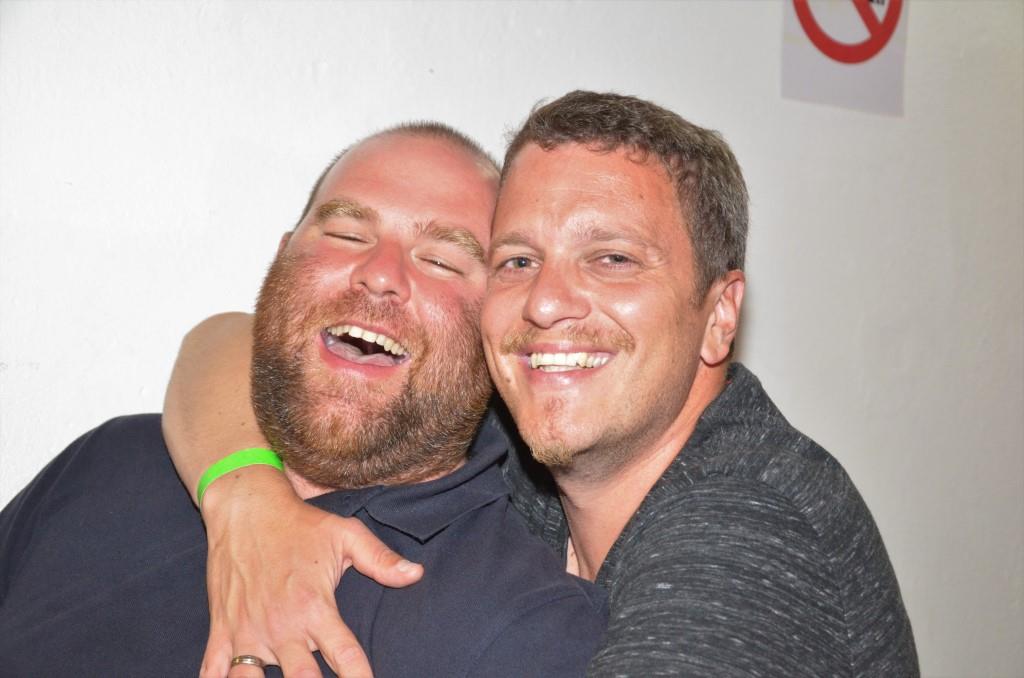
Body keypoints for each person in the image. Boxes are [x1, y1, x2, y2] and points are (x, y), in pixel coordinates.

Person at [166, 92, 919, 677]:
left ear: (719, 316)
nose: (547, 302)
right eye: (519, 261)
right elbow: (229, 339)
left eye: (613, 259)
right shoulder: (532, 417)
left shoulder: (744, 544)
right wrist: (246, 499)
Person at [0, 124, 607, 678]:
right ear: (282, 256)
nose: (380, 273)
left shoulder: (527, 629)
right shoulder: (109, 460)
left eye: (442, 261)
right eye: (346, 234)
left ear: (499, 319)